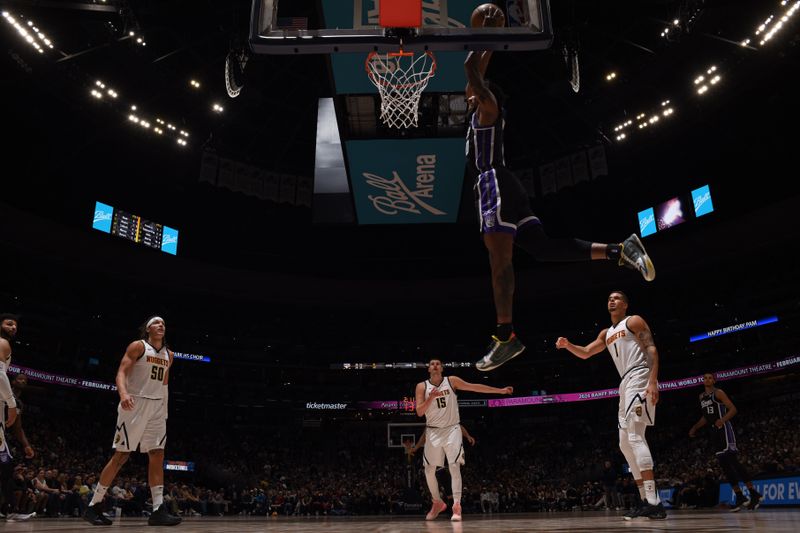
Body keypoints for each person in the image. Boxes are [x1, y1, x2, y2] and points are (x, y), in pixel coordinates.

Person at [464, 28, 656, 372]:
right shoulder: (481, 112)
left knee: (499, 261)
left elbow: (472, 76)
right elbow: (474, 80)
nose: (468, 96)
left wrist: (476, 44)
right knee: (543, 249)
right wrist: (485, 41)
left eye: (474, 93)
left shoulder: (489, 108)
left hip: (493, 183)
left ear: (484, 95)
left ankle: (505, 336)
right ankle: (618, 250)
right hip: (507, 185)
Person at [555, 291, 666, 519]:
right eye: (608, 298)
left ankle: (654, 500)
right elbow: (586, 353)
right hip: (624, 382)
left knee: (635, 436)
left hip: (639, 374)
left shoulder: (633, 320)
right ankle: (645, 501)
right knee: (624, 443)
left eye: (616, 298)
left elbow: (652, 348)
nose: (611, 300)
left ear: (625, 304)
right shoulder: (606, 333)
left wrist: (653, 381)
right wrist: (568, 345)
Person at [83, 316, 181, 526]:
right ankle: (93, 505)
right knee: (121, 456)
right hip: (135, 404)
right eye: (156, 323)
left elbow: (164, 385)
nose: (161, 325)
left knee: (157, 453)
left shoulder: (169, 354)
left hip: (157, 407)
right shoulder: (138, 346)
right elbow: (121, 372)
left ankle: (158, 509)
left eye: (164, 323)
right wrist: (123, 393)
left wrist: (164, 410)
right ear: (147, 329)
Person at [414, 358, 512, 521]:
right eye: (432, 364)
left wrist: (500, 391)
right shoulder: (421, 386)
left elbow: (474, 387)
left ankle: (457, 506)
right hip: (433, 431)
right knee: (429, 470)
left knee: (454, 466)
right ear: (428, 369)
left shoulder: (451, 381)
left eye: (438, 363)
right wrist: (430, 398)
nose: (435, 365)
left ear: (442, 368)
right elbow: (419, 412)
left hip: (452, 429)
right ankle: (437, 502)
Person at [689, 373, 762, 511]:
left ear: (714, 380)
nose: (707, 379)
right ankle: (740, 496)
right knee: (725, 466)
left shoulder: (719, 393)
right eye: (705, 378)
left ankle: (754, 493)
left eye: (710, 377)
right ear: (702, 381)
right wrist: (695, 427)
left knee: (733, 462)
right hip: (713, 432)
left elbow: (733, 409)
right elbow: (706, 416)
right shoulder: (701, 397)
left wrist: (722, 420)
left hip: (724, 429)